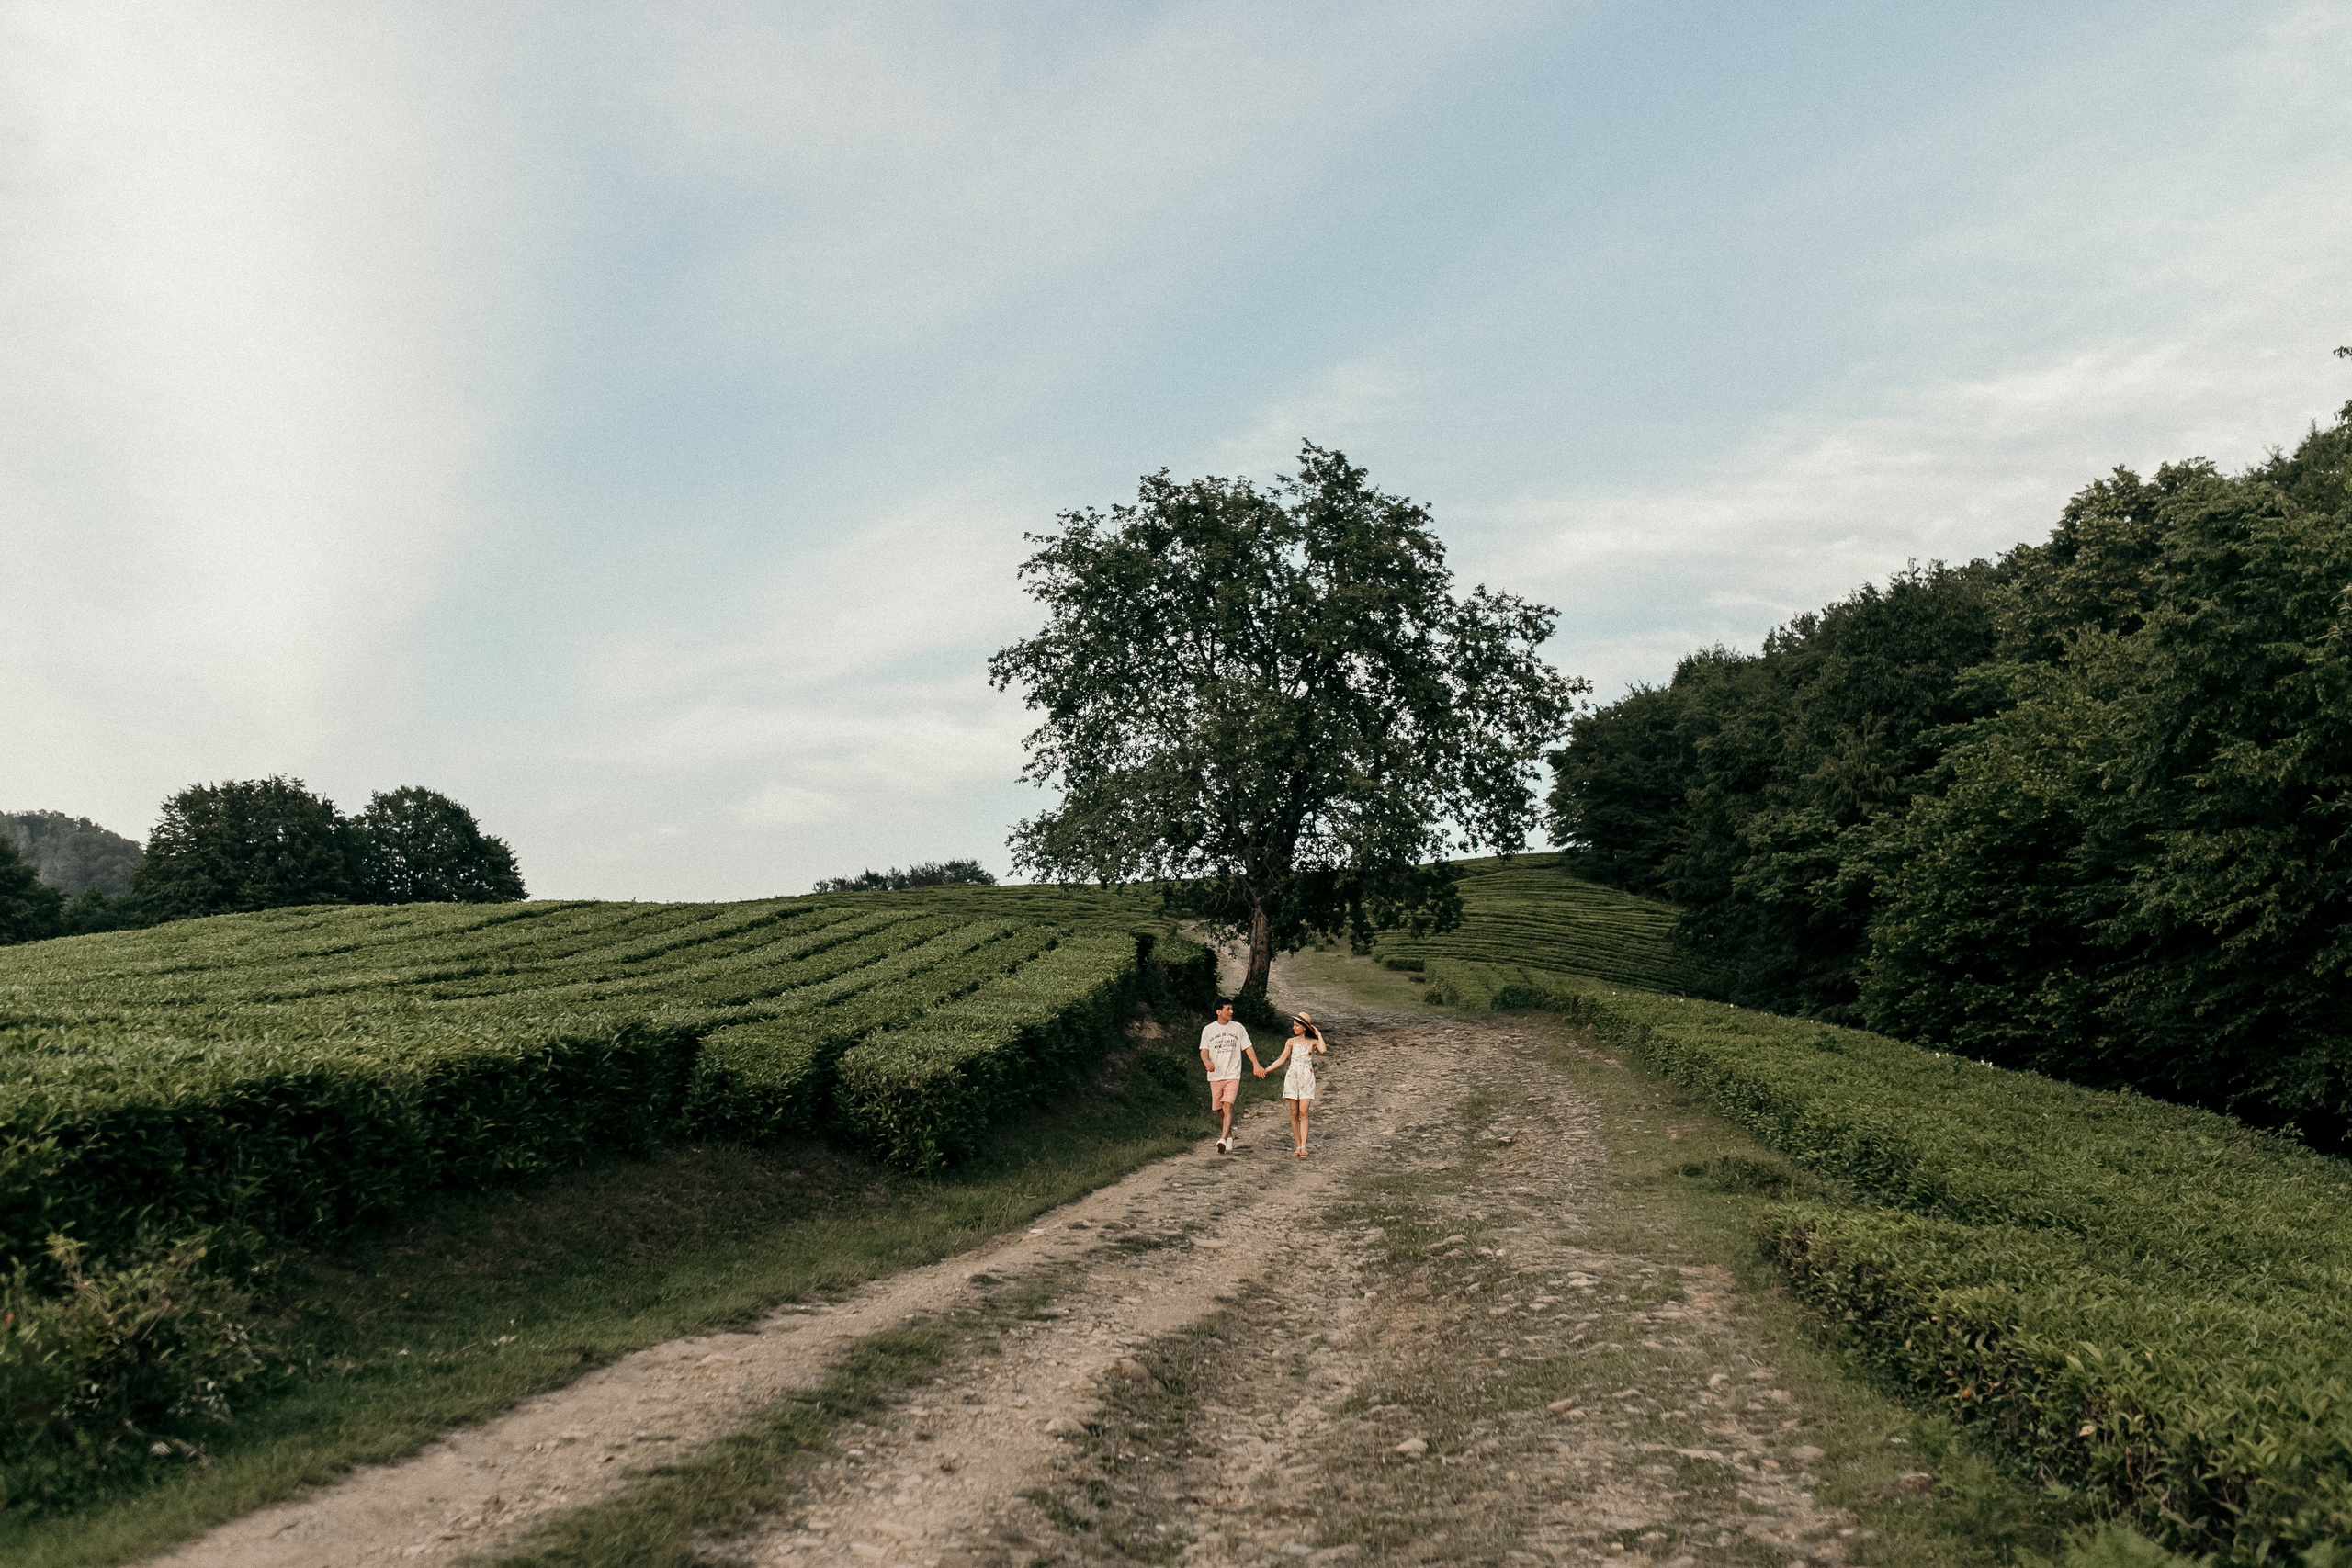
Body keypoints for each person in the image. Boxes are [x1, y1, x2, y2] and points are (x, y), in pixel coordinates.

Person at [1257, 1010, 1328, 1157]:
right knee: (1294, 1113)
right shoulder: (1291, 1042)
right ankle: (1298, 1145)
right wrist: (1267, 1069)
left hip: (1306, 1077)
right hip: (1292, 1077)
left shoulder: (1312, 1042)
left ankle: (1304, 1146)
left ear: (1304, 1027)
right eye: (1293, 1025)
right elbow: (1282, 1059)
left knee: (1304, 1112)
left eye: (1297, 1025)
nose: (1294, 1028)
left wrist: (1318, 1034)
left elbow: (1323, 1049)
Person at [1199, 998, 1262, 1154]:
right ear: (1218, 1012)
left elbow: (1248, 1047)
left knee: (1228, 1105)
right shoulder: (1208, 1030)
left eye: (1232, 1009)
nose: (1231, 1012)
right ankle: (1229, 1137)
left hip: (1232, 1074)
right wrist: (1206, 1061)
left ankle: (1221, 1138)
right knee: (1220, 1110)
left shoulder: (1238, 1028)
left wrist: (1256, 1064)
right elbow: (1203, 1050)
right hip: (1215, 1075)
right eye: (1228, 1009)